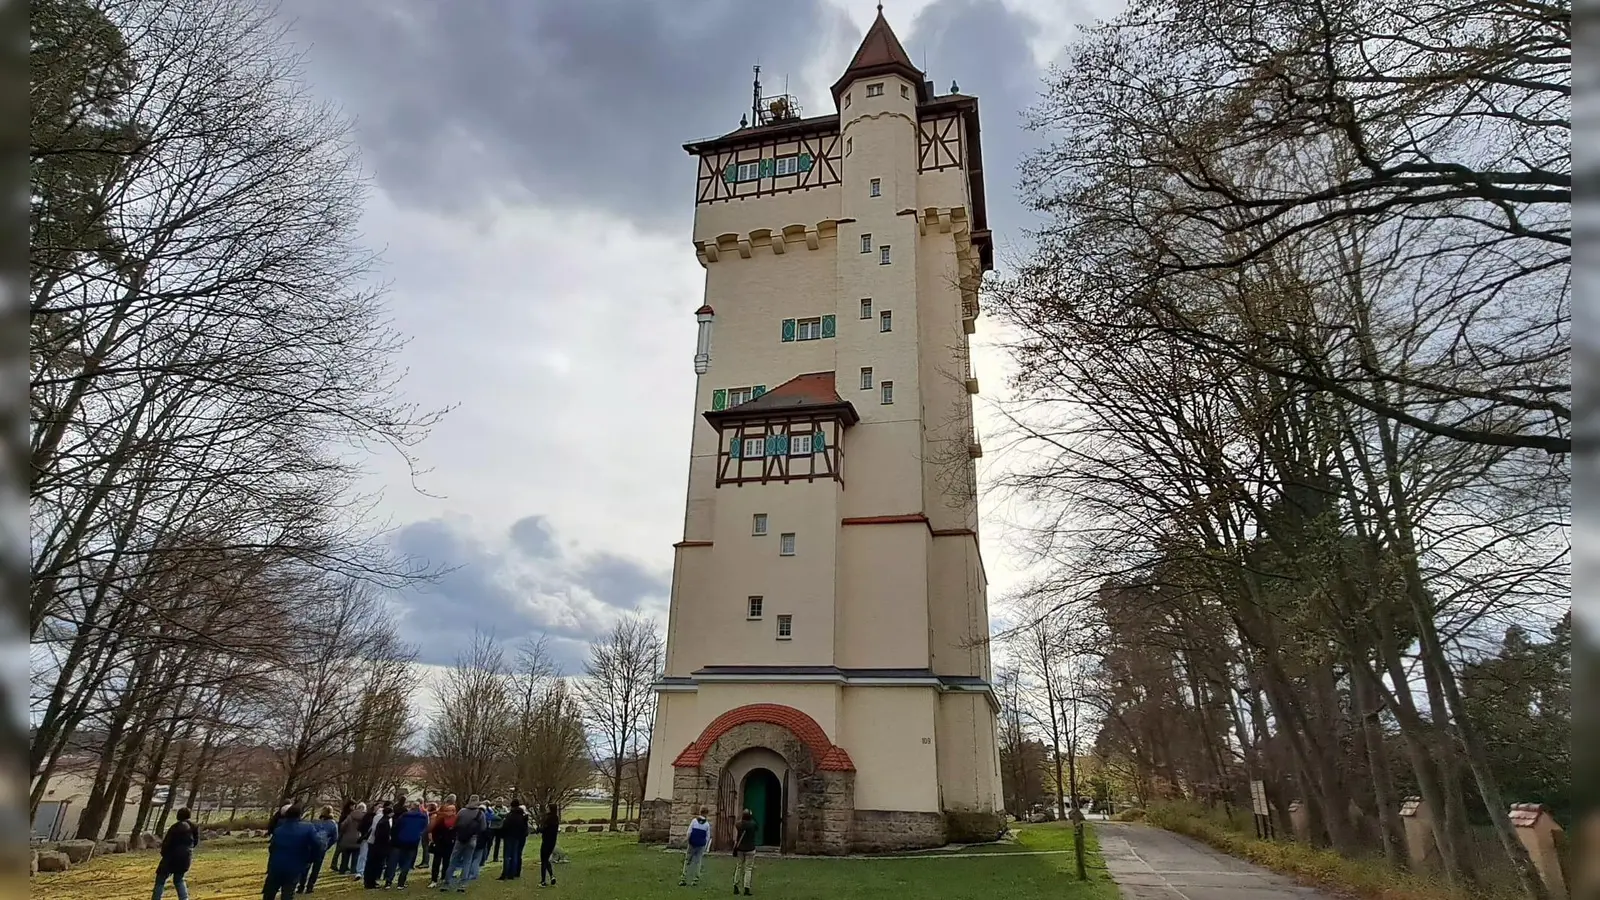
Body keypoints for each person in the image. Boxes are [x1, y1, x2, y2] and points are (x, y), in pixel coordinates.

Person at [263, 804, 323, 900]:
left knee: (269, 893)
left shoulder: (279, 830)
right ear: (300, 815)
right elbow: (318, 845)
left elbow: (272, 848)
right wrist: (310, 859)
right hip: (295, 866)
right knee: (288, 893)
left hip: (276, 866)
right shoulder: (308, 828)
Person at [442, 794, 489, 892]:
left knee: (453, 860)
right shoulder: (480, 813)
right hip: (472, 839)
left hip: (460, 838)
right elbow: (483, 828)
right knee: (467, 861)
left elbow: (455, 824)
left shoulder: (462, 811)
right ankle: (462, 884)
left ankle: (446, 883)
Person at [152, 807, 199, 900]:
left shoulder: (174, 827)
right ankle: (184, 898)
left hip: (171, 857)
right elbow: (195, 842)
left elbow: (166, 843)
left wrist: (164, 854)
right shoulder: (194, 827)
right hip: (186, 857)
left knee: (160, 880)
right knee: (179, 880)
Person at [388, 799, 431, 889]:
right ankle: (401, 883)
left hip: (401, 840)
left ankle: (388, 881)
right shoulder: (422, 817)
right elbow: (425, 828)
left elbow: (397, 826)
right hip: (413, 841)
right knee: (407, 862)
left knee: (394, 860)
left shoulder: (404, 816)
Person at [299, 806, 338, 894]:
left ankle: (301, 886)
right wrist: (327, 845)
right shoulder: (333, 824)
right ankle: (310, 886)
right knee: (316, 868)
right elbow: (335, 838)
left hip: (310, 846)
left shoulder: (315, 822)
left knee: (306, 866)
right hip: (321, 847)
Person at [362, 802, 394, 889]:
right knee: (376, 863)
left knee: (371, 862)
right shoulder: (384, 819)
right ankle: (371, 881)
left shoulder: (377, 816)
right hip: (379, 843)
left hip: (373, 841)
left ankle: (368, 881)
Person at [496, 800, 529, 880]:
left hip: (509, 837)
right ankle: (512, 873)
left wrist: (502, 835)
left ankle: (505, 873)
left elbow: (505, 826)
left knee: (507, 856)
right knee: (515, 855)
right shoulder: (522, 816)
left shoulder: (509, 816)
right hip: (517, 837)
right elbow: (524, 828)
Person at [679, 806, 712, 887]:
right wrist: (705, 846)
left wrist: (687, 840)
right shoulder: (707, 824)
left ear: (700, 812)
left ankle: (683, 878)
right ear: (706, 813)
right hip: (700, 845)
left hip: (692, 843)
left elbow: (689, 832)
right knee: (698, 862)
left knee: (687, 861)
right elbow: (707, 837)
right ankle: (695, 880)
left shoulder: (694, 821)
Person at [427, 802, 457, 888]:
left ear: (454, 811)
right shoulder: (440, 819)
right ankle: (434, 880)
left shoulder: (456, 820)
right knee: (436, 862)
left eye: (450, 810)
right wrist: (435, 841)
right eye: (447, 810)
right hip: (439, 843)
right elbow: (434, 830)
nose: (448, 812)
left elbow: (457, 831)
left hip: (449, 844)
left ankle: (444, 877)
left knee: (446, 862)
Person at [732, 809, 758, 896]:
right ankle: (746, 888)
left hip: (740, 848)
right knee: (748, 869)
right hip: (750, 848)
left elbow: (738, 825)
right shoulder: (753, 824)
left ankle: (736, 885)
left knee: (739, 867)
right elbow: (756, 827)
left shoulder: (738, 824)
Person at [335, 802, 365, 874]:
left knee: (345, 857)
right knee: (355, 857)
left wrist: (344, 832)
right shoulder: (364, 817)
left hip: (347, 839)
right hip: (358, 839)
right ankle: (353, 870)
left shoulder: (350, 816)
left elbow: (343, 825)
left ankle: (342, 870)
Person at [537, 803, 560, 887]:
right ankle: (551, 876)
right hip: (552, 841)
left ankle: (543, 881)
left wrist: (538, 829)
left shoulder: (548, 819)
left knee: (543, 860)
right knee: (546, 859)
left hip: (546, 841)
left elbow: (544, 829)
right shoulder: (556, 818)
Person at [353, 802, 378, 880]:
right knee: (363, 855)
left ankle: (369, 871)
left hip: (376, 840)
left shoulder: (381, 817)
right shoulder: (368, 816)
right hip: (366, 838)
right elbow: (361, 827)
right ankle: (360, 872)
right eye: (378, 806)